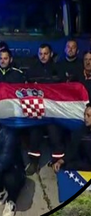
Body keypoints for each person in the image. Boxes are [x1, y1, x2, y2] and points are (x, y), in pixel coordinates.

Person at [25, 44, 65, 175]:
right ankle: (34, 162)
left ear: (51, 54)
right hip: (37, 110)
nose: (43, 56)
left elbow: (64, 89)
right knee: (34, 134)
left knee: (54, 134)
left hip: (53, 111)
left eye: (45, 53)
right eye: (40, 54)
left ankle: (57, 161)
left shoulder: (58, 69)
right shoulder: (32, 70)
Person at [53, 103, 91, 172]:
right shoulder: (81, 131)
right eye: (84, 115)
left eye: (88, 116)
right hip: (85, 164)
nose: (85, 118)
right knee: (67, 166)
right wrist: (61, 161)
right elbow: (72, 149)